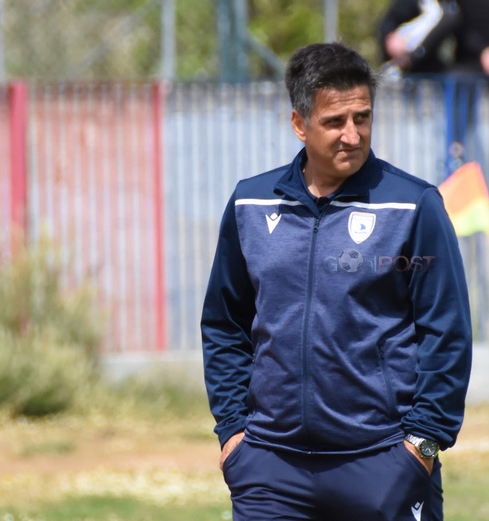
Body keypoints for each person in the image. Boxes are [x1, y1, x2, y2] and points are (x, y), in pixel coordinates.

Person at [201, 42, 472, 520]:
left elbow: (447, 333)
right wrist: (233, 433)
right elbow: (225, 325)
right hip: (270, 467)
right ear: (299, 123)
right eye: (335, 122)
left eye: (362, 118)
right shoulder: (250, 204)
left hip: (385, 462)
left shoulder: (414, 205)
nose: (352, 134)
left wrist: (423, 443)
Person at [378, 0, 462, 77]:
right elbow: (388, 25)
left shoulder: (450, 9)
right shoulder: (410, 4)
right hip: (403, 68)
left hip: (436, 70)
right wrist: (391, 41)